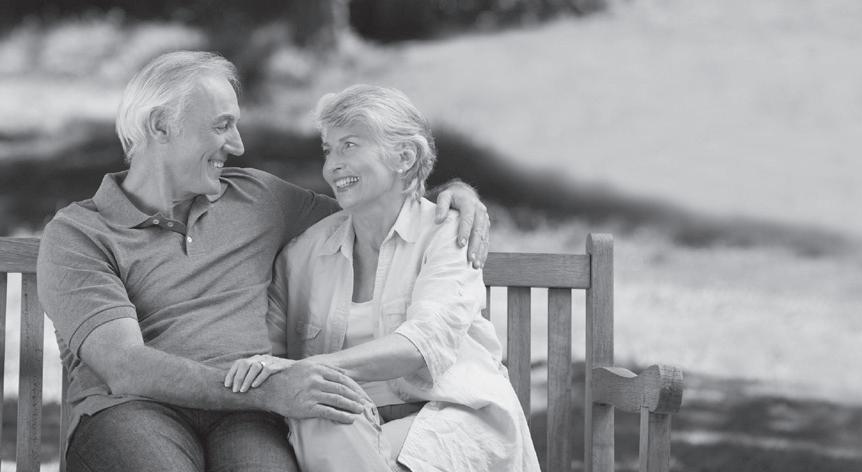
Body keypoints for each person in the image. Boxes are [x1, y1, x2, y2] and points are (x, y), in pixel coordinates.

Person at [36, 51, 491, 472]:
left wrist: (450, 195)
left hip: (248, 417)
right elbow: (125, 367)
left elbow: (374, 205)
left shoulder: (258, 197)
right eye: (222, 126)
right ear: (160, 126)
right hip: (133, 411)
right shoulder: (79, 234)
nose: (236, 145)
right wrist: (271, 389)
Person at [222, 84, 540, 471]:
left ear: (404, 157)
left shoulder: (447, 234)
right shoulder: (303, 254)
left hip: (451, 419)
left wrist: (307, 369)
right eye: (328, 149)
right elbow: (269, 357)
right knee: (323, 414)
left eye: (349, 145)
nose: (332, 165)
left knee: (326, 411)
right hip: (349, 429)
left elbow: (421, 344)